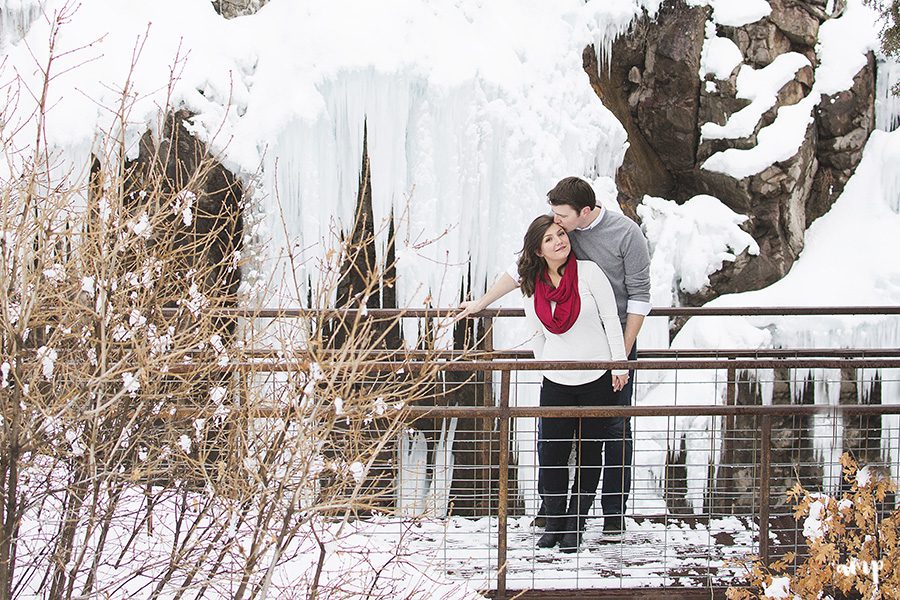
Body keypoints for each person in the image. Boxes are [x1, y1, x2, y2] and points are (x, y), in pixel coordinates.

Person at [458, 176, 651, 541]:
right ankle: (553, 512)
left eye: (562, 216)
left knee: (612, 430)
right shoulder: (563, 232)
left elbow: (639, 297)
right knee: (556, 435)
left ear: (586, 212)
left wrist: (619, 358)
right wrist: (481, 303)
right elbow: (523, 269)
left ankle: (612, 513)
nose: (557, 222)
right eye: (554, 216)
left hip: (615, 341)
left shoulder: (626, 235)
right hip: (566, 349)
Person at [517, 214, 628, 552]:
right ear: (538, 250)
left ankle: (575, 525)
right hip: (557, 380)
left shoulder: (590, 274)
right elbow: (537, 332)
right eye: (549, 239)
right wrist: (545, 365)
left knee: (591, 453)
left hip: (596, 377)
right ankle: (553, 523)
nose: (559, 241)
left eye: (561, 234)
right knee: (551, 453)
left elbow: (611, 320)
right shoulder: (531, 285)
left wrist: (618, 365)